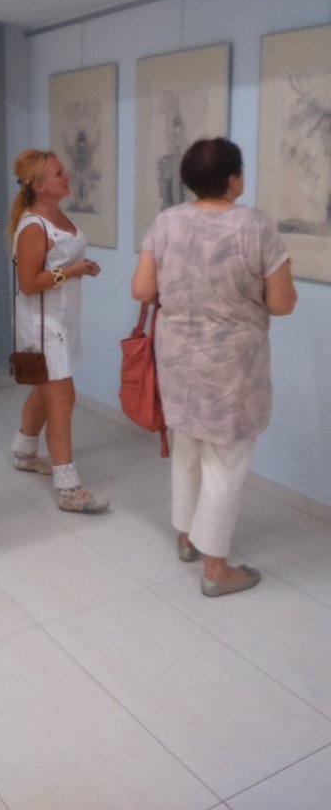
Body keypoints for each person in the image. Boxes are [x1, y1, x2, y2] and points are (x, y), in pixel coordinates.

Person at [132, 137, 296, 596]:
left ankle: (187, 536)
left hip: (178, 357)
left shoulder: (166, 223)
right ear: (234, 178)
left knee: (188, 445)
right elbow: (281, 303)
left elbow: (141, 290)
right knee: (227, 459)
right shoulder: (256, 226)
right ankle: (217, 568)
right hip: (232, 364)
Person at [8, 149, 110, 513]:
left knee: (44, 390)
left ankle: (23, 451)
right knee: (62, 398)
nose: (67, 177)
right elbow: (28, 283)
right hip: (43, 324)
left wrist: (81, 267)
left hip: (64, 318)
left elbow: (59, 261)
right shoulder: (33, 226)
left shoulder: (58, 216)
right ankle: (68, 488)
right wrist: (73, 271)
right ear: (38, 186)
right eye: (58, 174)